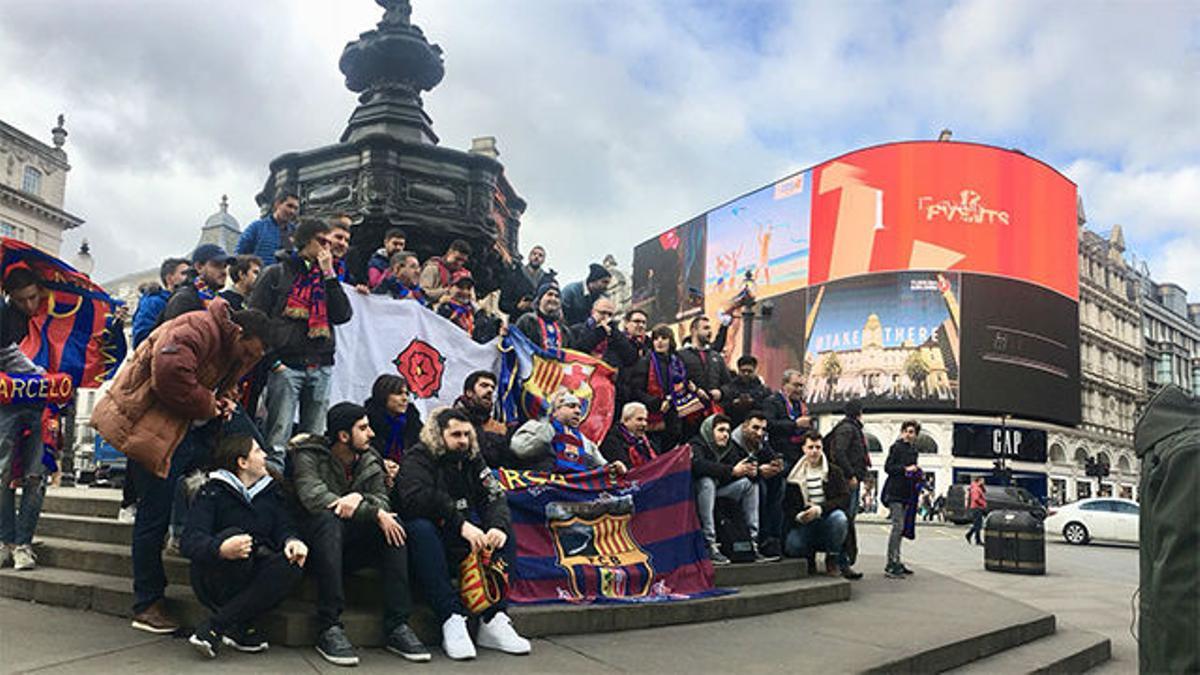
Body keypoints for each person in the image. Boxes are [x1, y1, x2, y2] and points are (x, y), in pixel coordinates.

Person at [90, 299, 273, 634]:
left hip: (183, 430)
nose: (249, 361)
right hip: (155, 429)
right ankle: (147, 603)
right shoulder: (199, 327)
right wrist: (209, 404)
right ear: (240, 332)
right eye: (250, 352)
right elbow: (170, 373)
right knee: (153, 516)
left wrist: (225, 400)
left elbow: (215, 381)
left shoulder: (230, 345)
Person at [291, 402, 428, 666]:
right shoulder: (308, 454)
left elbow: (382, 501)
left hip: (352, 546)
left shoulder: (369, 458)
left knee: (393, 523)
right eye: (363, 428)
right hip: (311, 545)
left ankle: (397, 625)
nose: (371, 434)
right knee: (328, 519)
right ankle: (328, 625)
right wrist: (370, 510)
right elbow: (314, 497)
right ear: (343, 436)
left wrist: (360, 500)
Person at [398, 407, 531, 660]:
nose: (463, 440)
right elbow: (416, 499)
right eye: (455, 434)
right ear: (439, 434)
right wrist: (459, 523)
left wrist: (496, 526)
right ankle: (451, 617)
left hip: (463, 536)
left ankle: (495, 618)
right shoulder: (418, 457)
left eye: (466, 434)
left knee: (504, 532)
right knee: (420, 529)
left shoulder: (472, 458)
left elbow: (494, 496)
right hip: (429, 540)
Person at [181, 433, 307, 659]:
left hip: (254, 573)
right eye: (258, 451)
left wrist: (292, 541)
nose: (265, 456)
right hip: (215, 575)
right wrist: (220, 547)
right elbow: (190, 541)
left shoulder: (271, 492)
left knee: (291, 564)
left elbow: (284, 527)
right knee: (237, 537)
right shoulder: (212, 491)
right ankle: (239, 624)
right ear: (242, 462)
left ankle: (217, 626)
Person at [250, 218, 353, 470]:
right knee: (278, 439)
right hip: (286, 365)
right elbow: (255, 319)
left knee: (313, 442)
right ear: (305, 241)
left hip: (321, 365)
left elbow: (342, 315)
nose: (328, 247)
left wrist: (329, 275)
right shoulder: (276, 273)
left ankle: (305, 490)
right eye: (322, 241)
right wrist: (272, 361)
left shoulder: (328, 276)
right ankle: (272, 494)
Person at [0, 267, 50, 572]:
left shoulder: (60, 313)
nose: (29, 305)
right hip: (9, 402)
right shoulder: (5, 317)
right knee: (2, 474)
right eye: (21, 301)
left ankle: (22, 544)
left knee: (35, 476)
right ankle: (7, 541)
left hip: (43, 405)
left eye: (33, 298)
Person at [783, 430, 860, 579]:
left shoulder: (834, 471)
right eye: (810, 447)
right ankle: (808, 557)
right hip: (806, 522)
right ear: (803, 449)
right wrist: (799, 516)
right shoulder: (794, 475)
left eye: (818, 447)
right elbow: (788, 505)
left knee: (840, 519)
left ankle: (832, 558)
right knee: (792, 546)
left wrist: (820, 509)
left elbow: (844, 498)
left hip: (827, 518)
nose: (814, 451)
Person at [690, 413, 761, 565]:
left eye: (728, 431)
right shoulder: (697, 444)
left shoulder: (729, 448)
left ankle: (752, 541)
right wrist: (732, 471)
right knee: (707, 482)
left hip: (719, 492)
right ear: (710, 430)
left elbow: (738, 468)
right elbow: (698, 466)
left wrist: (752, 472)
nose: (725, 435)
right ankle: (709, 544)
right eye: (721, 430)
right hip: (697, 495)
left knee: (750, 485)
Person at [628, 324, 706, 451]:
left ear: (670, 341)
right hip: (654, 418)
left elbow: (685, 382)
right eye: (656, 338)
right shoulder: (645, 361)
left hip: (676, 416)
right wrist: (657, 403)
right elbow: (636, 390)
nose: (659, 341)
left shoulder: (678, 361)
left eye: (664, 338)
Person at [510, 390, 625, 475]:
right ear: (556, 411)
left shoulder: (585, 442)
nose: (578, 411)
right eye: (571, 406)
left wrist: (614, 467)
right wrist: (548, 425)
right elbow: (520, 449)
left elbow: (602, 467)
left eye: (579, 408)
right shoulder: (536, 426)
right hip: (546, 484)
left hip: (575, 489)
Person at [731, 410, 785, 559]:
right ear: (744, 427)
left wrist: (776, 464)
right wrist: (760, 472)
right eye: (755, 428)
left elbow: (771, 456)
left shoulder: (760, 440)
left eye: (763, 429)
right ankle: (760, 539)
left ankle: (773, 539)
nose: (759, 433)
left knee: (779, 483)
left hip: (753, 478)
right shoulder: (732, 442)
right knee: (759, 487)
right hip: (734, 483)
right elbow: (738, 470)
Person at [826, 399, 869, 573]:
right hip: (847, 482)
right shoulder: (847, 429)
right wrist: (850, 474)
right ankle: (841, 561)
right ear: (859, 412)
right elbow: (839, 453)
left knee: (849, 521)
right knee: (846, 522)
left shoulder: (851, 428)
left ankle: (842, 561)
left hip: (851, 480)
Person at [882, 420, 921, 578]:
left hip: (907, 493)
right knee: (897, 527)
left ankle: (896, 560)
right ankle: (891, 563)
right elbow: (888, 468)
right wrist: (906, 469)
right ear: (903, 432)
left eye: (912, 432)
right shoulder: (896, 447)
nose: (909, 434)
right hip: (895, 493)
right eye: (907, 431)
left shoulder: (914, 451)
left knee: (901, 528)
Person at [452, 370, 511, 469]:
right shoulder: (450, 422)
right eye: (484, 386)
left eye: (492, 387)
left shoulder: (499, 428)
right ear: (469, 393)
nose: (490, 390)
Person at [162, 244, 233, 321]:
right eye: (216, 265)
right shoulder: (184, 300)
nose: (223, 272)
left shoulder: (215, 297)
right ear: (199, 267)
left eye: (225, 266)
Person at [364, 374, 422, 468]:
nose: (405, 399)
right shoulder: (367, 423)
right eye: (399, 393)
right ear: (383, 395)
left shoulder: (413, 423)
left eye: (407, 394)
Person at [132, 257, 189, 348]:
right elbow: (140, 341)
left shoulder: (190, 301)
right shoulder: (153, 302)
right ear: (170, 279)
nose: (189, 278)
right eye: (184, 274)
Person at [678, 315, 732, 408]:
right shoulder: (681, 355)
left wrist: (721, 392)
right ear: (694, 330)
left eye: (710, 328)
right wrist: (696, 391)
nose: (710, 332)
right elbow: (677, 381)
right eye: (705, 328)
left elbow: (729, 384)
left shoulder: (716, 356)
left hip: (714, 410)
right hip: (690, 410)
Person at [436, 270, 502, 343]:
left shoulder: (475, 311)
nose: (465, 292)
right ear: (450, 287)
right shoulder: (443, 308)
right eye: (460, 287)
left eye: (468, 288)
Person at [236, 188, 300, 264]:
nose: (292, 211)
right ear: (277, 204)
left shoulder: (296, 233)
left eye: (295, 208)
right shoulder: (257, 227)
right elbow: (239, 254)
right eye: (289, 206)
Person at [763, 369, 812, 468]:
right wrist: (795, 424)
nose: (799, 389)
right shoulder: (772, 401)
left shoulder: (801, 405)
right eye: (795, 385)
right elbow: (769, 425)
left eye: (801, 386)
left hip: (799, 455)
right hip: (780, 455)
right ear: (784, 385)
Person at [568, 297, 635, 367]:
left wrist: (613, 333)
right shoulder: (576, 329)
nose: (606, 317)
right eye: (602, 313)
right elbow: (579, 349)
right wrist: (601, 331)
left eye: (610, 315)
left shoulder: (615, 334)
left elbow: (630, 356)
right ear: (593, 312)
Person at [599, 402, 659, 468]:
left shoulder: (646, 442)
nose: (644, 424)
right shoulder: (611, 441)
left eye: (645, 420)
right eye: (639, 419)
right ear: (626, 420)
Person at [500, 244, 549, 320]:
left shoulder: (547, 280)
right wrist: (517, 306)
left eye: (540, 255)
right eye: (534, 254)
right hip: (517, 321)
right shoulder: (515, 275)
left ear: (543, 260)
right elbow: (502, 303)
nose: (536, 257)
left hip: (540, 323)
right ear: (529, 256)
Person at [721, 355, 772, 427]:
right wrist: (734, 404)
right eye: (743, 371)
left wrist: (753, 403)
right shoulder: (729, 388)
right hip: (734, 425)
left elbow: (768, 410)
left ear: (755, 370)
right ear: (738, 370)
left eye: (749, 371)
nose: (746, 374)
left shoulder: (764, 390)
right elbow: (723, 409)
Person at [514, 280, 565, 350]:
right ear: (540, 299)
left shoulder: (564, 330)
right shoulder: (527, 321)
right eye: (550, 294)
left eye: (557, 296)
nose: (553, 298)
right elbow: (516, 345)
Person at [420, 239, 473, 305]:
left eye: (463, 261)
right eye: (457, 259)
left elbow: (472, 299)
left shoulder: (466, 275)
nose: (459, 263)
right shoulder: (432, 268)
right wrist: (448, 291)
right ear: (449, 252)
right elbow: (422, 292)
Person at [327, 215, 353, 284]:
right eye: (338, 237)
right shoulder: (308, 262)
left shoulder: (342, 266)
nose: (342, 243)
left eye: (347, 241)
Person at [965, 476, 987, 545]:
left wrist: (983, 487)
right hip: (977, 508)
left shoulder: (978, 488)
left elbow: (984, 492)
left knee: (977, 524)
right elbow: (976, 498)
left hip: (977, 507)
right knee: (978, 524)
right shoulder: (975, 488)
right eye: (982, 481)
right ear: (979, 480)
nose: (983, 482)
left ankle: (974, 538)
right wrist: (983, 503)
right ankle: (973, 537)